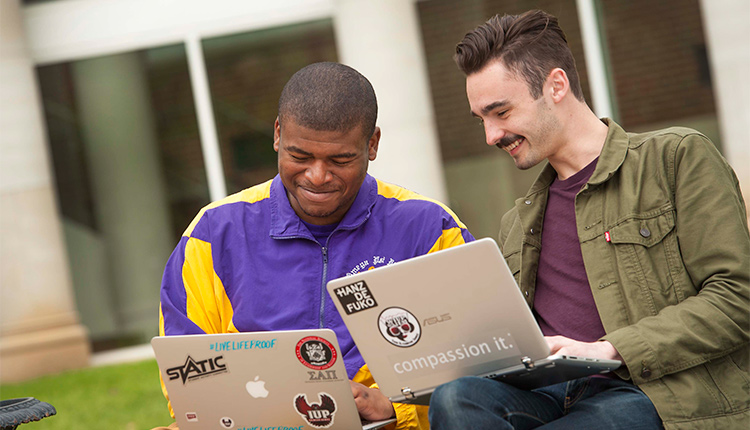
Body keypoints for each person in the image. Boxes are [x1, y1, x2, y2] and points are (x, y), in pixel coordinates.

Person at [428, 10, 749, 430]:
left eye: (501, 113)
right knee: (454, 398)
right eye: (482, 120)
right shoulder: (515, 223)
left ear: (556, 86)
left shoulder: (675, 158)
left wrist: (610, 349)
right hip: (548, 393)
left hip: (647, 391)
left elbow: (736, 298)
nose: (490, 136)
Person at [155, 62, 474, 429]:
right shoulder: (214, 233)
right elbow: (186, 373)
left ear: (372, 144)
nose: (317, 177)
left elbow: (471, 370)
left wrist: (392, 409)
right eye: (300, 157)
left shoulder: (430, 228)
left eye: (340, 160)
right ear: (277, 134)